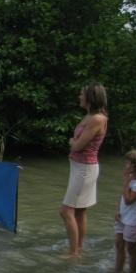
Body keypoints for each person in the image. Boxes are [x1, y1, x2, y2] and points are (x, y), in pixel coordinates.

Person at [59, 82, 108, 257]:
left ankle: (73, 253)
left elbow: (77, 146)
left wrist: (72, 142)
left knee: (66, 211)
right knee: (79, 211)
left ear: (90, 97)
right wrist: (74, 142)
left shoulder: (97, 119)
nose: (79, 96)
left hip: (85, 170)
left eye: (82, 93)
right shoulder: (90, 116)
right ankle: (78, 249)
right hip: (80, 168)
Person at [115, 149, 136, 273]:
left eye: (128, 163)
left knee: (131, 248)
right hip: (123, 216)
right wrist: (118, 209)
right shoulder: (131, 178)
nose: (125, 165)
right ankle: (118, 270)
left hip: (134, 220)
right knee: (119, 244)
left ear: (135, 166)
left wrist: (125, 182)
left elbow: (129, 200)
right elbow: (123, 198)